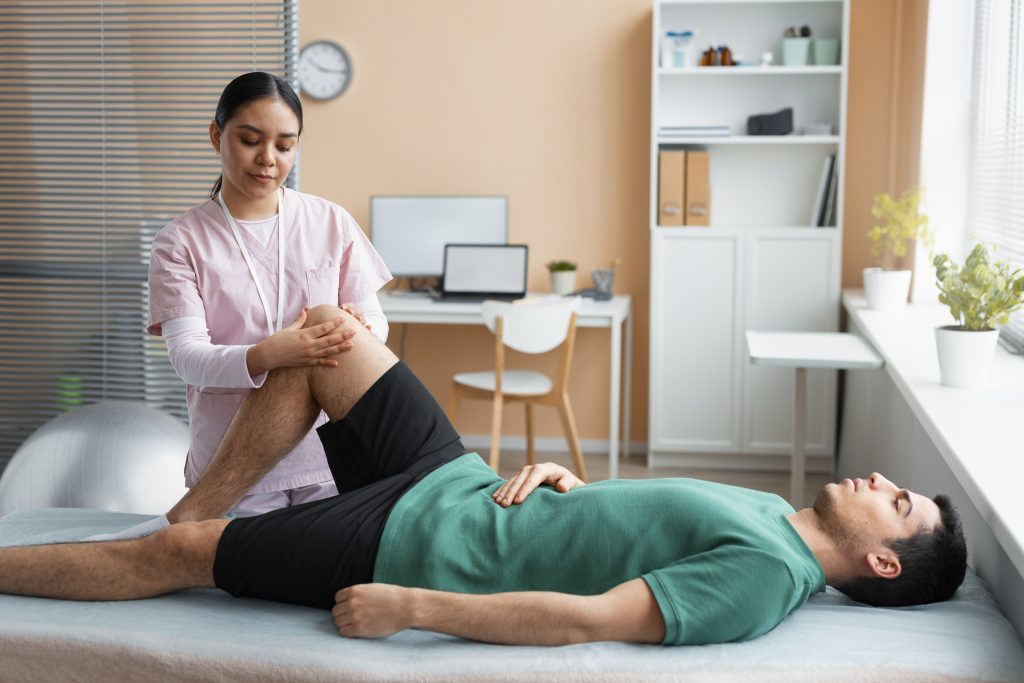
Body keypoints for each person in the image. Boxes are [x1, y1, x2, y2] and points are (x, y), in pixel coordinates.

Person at [0, 304, 968, 646]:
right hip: (458, 481)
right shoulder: (770, 509)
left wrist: (413, 606)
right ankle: (186, 510)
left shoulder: (764, 577)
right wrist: (564, 476)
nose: (882, 479)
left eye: (899, 503)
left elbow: (589, 617)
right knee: (327, 335)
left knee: (173, 559)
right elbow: (630, 525)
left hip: (416, 542)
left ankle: (164, 539)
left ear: (883, 562)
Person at [148, 72, 391, 518]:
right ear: (217, 136)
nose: (268, 159)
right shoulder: (180, 242)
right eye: (250, 140)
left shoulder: (330, 222)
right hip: (235, 466)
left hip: (327, 457)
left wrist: (358, 330)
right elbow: (186, 356)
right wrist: (266, 355)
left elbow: (376, 322)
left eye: (284, 145)